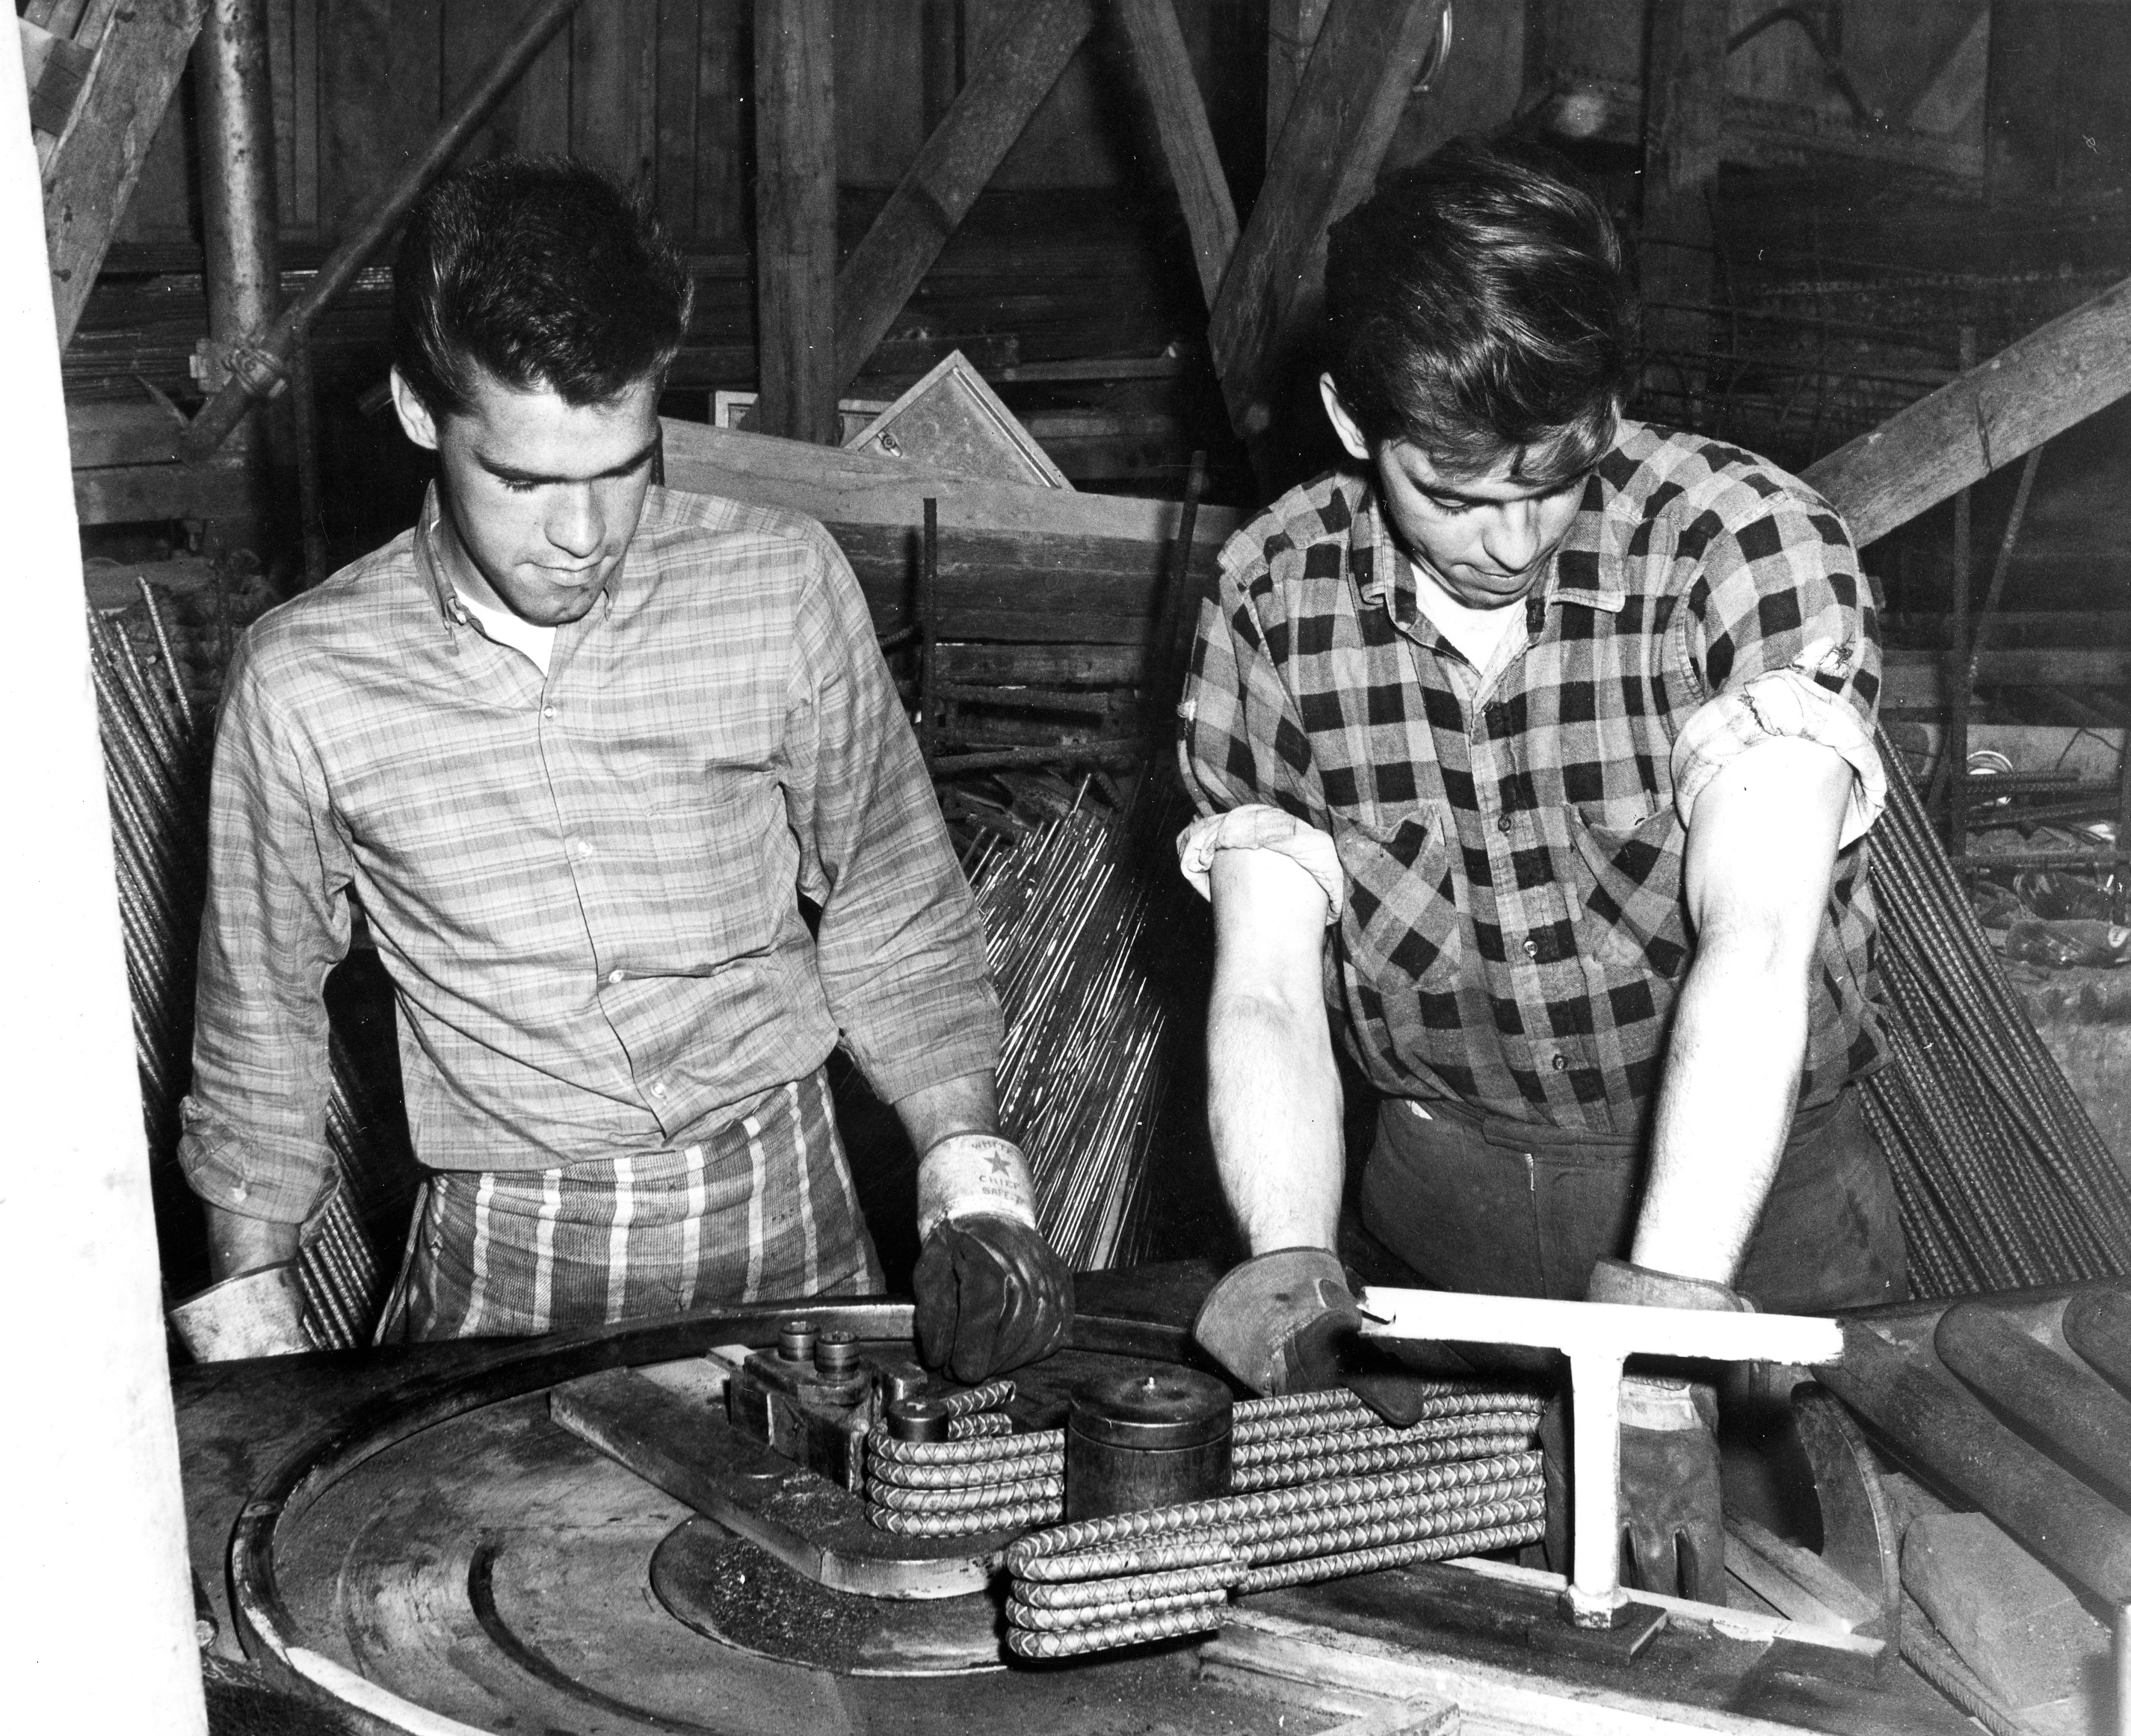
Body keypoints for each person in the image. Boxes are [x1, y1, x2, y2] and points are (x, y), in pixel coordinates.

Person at [177, 157, 1070, 1380]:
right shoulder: (305, 681)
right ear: (420, 413)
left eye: (623, 468)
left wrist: (974, 1190)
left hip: (787, 1206)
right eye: (525, 480)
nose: (583, 536)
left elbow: (895, 906)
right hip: (507, 1252)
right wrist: (252, 1337)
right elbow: (258, 1019)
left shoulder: (779, 586)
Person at [1176, 138, 1905, 1600]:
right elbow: (1266, 990)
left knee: (1818, 1628)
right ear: (1350, 416)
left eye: (1553, 479)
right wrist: (1294, 1264)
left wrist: (1667, 1339)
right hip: (1437, 1236)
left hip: (1752, 1218)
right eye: (1452, 490)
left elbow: (1758, 943)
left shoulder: (1744, 551)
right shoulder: (1271, 598)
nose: (1508, 541)